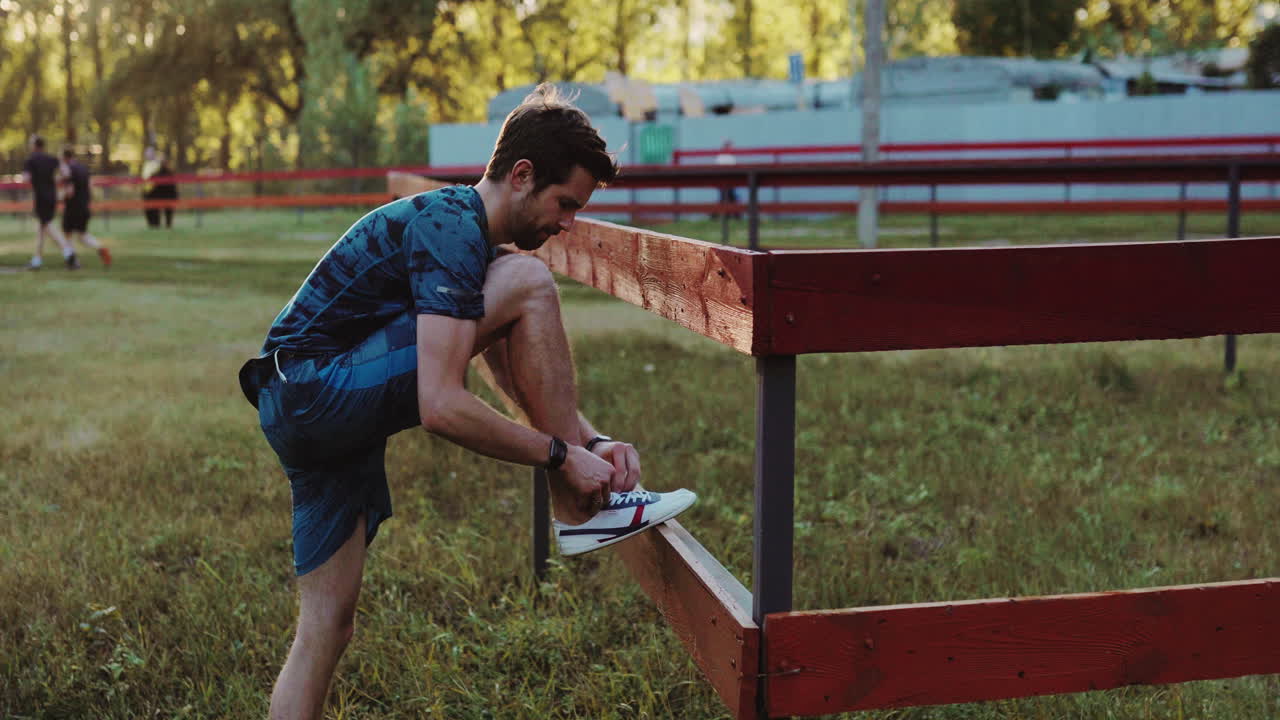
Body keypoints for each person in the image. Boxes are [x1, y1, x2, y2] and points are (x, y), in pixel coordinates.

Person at [237, 84, 695, 720]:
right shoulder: (453, 228)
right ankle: (580, 509)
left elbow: (506, 366)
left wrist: (590, 442)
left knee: (328, 627)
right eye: (565, 204)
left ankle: (583, 500)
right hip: (315, 391)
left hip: (298, 404)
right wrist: (562, 456)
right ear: (522, 174)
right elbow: (441, 405)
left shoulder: (468, 244)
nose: (567, 224)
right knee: (528, 281)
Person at [22, 135, 78, 270]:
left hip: (41, 197)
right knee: (42, 228)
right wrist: (54, 180)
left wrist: (32, 179)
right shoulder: (52, 159)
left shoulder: (30, 160)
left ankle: (68, 252)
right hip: (52, 196)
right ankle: (37, 260)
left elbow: (25, 179)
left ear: (34, 145)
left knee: (47, 225)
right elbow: (66, 172)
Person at [59, 147, 112, 267]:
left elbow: (70, 192)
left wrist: (59, 198)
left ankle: (72, 260)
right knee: (82, 235)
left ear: (64, 158)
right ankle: (100, 248)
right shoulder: (83, 168)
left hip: (72, 207)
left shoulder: (68, 170)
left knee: (67, 234)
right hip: (84, 206)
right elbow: (90, 187)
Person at [150, 152, 178, 227]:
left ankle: (166, 225)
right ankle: (158, 225)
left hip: (167, 196)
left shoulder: (169, 172)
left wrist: (175, 196)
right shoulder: (157, 173)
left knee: (168, 213)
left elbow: (173, 186)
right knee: (158, 213)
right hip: (160, 196)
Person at [140, 146, 161, 227]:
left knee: (155, 208)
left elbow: (155, 174)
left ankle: (156, 224)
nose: (148, 155)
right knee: (147, 208)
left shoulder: (156, 163)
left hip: (154, 190)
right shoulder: (146, 164)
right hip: (146, 189)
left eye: (150, 153)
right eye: (147, 154)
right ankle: (150, 224)